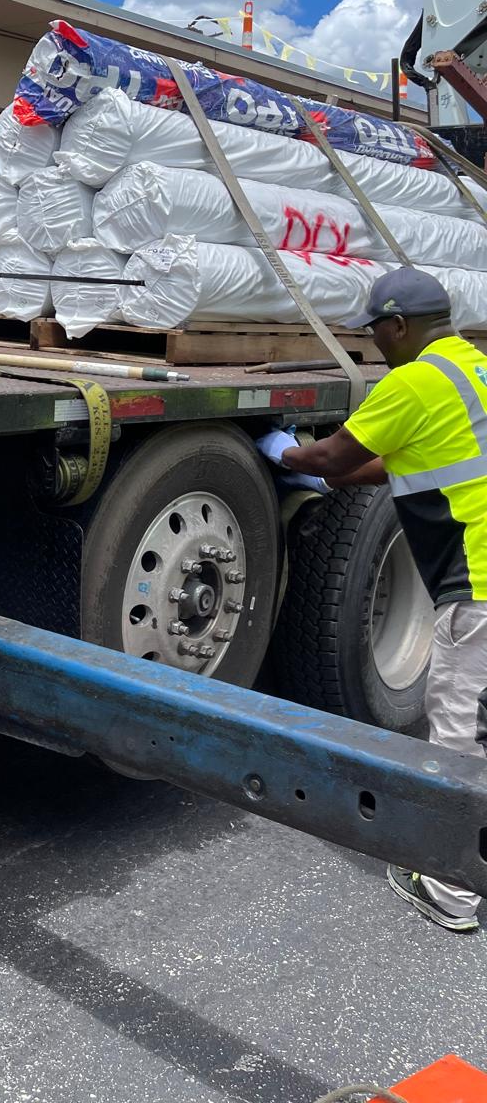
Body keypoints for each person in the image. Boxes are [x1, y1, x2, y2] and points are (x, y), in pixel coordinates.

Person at [257, 268, 487, 934]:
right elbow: (394, 461)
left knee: (456, 743)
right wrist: (331, 474)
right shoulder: (471, 370)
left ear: (397, 326)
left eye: (375, 333)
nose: (374, 346)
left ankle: (450, 894)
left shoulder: (412, 380)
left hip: (476, 589)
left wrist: (283, 450)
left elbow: (332, 454)